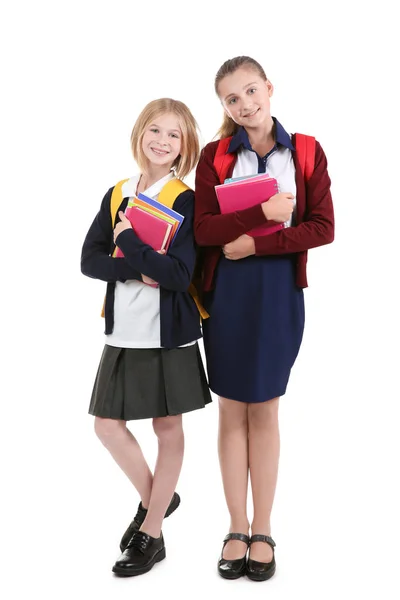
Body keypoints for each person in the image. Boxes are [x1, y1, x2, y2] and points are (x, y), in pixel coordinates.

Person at [194, 56, 334, 581]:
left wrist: (256, 240)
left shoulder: (304, 150)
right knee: (232, 409)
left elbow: (322, 226)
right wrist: (260, 215)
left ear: (269, 88)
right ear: (224, 107)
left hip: (278, 291)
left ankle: (265, 526)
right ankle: (235, 525)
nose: (245, 104)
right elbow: (204, 231)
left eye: (251, 91)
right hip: (227, 292)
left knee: (266, 410)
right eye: (232, 99)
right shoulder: (214, 156)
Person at [81, 98, 211, 578]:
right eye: (154, 130)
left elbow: (178, 274)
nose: (162, 140)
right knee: (106, 426)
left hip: (168, 331)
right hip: (123, 329)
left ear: (184, 147)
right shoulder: (117, 193)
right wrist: (139, 268)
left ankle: (151, 532)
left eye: (174, 135)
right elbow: (89, 261)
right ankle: (159, 496)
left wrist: (130, 242)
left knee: (166, 427)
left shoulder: (184, 199)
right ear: (139, 133)